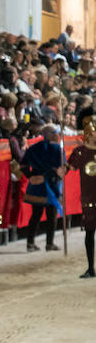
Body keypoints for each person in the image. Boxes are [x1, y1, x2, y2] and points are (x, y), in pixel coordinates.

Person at [22, 123, 67, 252]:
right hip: (51, 184)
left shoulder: (34, 148)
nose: (58, 135)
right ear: (50, 134)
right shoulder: (58, 149)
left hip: (37, 183)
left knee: (36, 214)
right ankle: (49, 243)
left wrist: (30, 176)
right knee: (50, 215)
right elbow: (62, 169)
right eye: (56, 133)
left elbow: (23, 166)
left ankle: (31, 243)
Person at [68, 110, 96, 278]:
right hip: (89, 198)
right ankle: (90, 268)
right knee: (89, 234)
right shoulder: (80, 152)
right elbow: (67, 169)